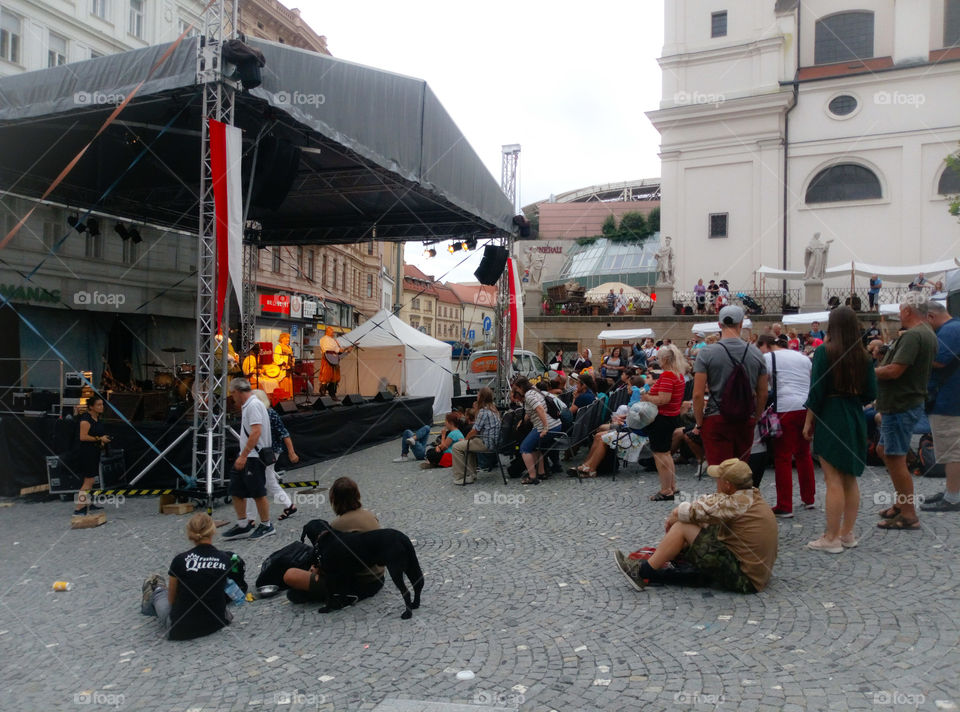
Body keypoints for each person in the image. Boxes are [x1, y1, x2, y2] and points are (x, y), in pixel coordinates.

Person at [614, 459, 777, 593]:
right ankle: (670, 558)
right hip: (757, 574)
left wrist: (673, 519)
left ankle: (642, 573)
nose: (716, 481)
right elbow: (707, 510)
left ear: (727, 484)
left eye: (718, 478)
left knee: (682, 527)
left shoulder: (735, 503)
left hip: (746, 579)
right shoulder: (749, 495)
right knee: (700, 523)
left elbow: (684, 512)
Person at [802, 307, 878, 551]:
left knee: (832, 478)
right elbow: (871, 393)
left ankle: (831, 538)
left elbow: (817, 390)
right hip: (854, 413)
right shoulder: (864, 356)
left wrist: (808, 421)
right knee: (849, 478)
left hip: (831, 414)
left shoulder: (825, 351)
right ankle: (847, 534)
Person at [874, 295, 937, 530]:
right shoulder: (926, 333)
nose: (899, 313)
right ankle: (901, 503)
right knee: (884, 450)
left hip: (900, 404)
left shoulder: (913, 335)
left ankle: (908, 513)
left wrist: (867, 373)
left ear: (909, 311)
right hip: (903, 403)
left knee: (895, 457)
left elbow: (894, 371)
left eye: (901, 310)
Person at [140, 513, 246, 640]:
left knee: (160, 593)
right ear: (213, 531)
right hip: (217, 622)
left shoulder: (179, 560)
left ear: (190, 534)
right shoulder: (225, 559)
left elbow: (171, 599)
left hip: (180, 629)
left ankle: (155, 589)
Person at [283, 477, 384, 603]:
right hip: (379, 576)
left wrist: (319, 570)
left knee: (292, 579)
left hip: (360, 582)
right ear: (357, 494)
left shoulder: (338, 525)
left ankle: (342, 595)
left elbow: (336, 564)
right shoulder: (369, 515)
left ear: (333, 500)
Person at [691, 306, 768, 465]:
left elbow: (698, 394)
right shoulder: (757, 353)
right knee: (740, 471)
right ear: (741, 324)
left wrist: (699, 423)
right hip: (745, 418)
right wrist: (756, 417)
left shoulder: (706, 353)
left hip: (716, 417)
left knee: (722, 472)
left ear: (719, 325)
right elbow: (763, 393)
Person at [756, 334, 815, 518]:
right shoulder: (802, 357)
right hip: (806, 408)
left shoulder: (767, 358)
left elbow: (762, 389)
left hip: (785, 408)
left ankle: (785, 505)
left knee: (782, 456)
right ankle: (809, 498)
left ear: (764, 345)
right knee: (803, 453)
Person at [221, 378, 274, 540]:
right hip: (248, 456)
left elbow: (256, 432)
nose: (232, 397)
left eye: (232, 394)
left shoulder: (253, 406)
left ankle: (266, 525)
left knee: (257, 492)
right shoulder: (250, 405)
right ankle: (243, 524)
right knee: (236, 489)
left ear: (237, 391)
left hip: (253, 457)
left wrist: (243, 455)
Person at [920, 302, 960, 513]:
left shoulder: (951, 330)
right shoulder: (954, 328)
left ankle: (953, 498)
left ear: (930, 317)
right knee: (951, 449)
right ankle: (951, 491)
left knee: (953, 451)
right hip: (949, 399)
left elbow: (939, 360)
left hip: (949, 401)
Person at [244, 391, 300, 523]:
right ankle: (289, 505)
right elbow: (284, 433)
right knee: (269, 480)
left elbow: (284, 433)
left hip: (265, 452)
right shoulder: (269, 413)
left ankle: (249, 518)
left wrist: (292, 452)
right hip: (269, 451)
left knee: (254, 481)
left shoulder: (268, 414)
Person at [644, 345, 688, 500]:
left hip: (661, 419)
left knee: (660, 455)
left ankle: (665, 490)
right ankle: (672, 486)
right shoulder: (679, 375)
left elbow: (663, 399)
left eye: (658, 357)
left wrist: (646, 397)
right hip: (671, 418)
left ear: (664, 359)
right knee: (666, 453)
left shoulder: (668, 375)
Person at [569, 402, 656, 478]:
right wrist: (624, 421)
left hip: (636, 436)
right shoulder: (645, 406)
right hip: (631, 432)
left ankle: (591, 469)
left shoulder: (647, 409)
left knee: (602, 438)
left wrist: (622, 423)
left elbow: (637, 425)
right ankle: (586, 464)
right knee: (598, 436)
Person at [514, 376, 563, 485]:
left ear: (521, 387)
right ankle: (541, 472)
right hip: (556, 424)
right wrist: (523, 421)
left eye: (516, 388)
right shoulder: (535, 391)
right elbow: (533, 410)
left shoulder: (528, 395)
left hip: (547, 426)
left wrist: (545, 428)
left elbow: (539, 409)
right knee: (535, 447)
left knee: (525, 448)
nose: (516, 391)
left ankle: (532, 477)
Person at [451, 387, 501, 485]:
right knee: (468, 445)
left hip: (486, 442)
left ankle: (460, 477)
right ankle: (471, 475)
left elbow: (474, 430)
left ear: (481, 397)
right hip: (493, 441)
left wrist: (465, 440)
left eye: (478, 395)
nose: (477, 396)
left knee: (456, 447)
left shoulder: (483, 412)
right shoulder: (494, 409)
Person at [72, 393, 110, 516]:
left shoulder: (96, 418)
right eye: (98, 405)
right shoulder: (86, 419)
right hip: (85, 452)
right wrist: (99, 439)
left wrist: (102, 440)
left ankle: (87, 503)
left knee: (90, 480)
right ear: (91, 407)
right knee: (89, 480)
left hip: (94, 451)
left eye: (102, 404)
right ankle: (79, 508)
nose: (101, 407)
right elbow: (83, 437)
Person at [318, 327, 352, 400]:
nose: (333, 333)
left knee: (335, 378)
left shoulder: (334, 340)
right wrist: (338, 349)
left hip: (334, 358)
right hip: (327, 359)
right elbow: (327, 348)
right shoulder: (324, 339)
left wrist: (346, 350)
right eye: (331, 331)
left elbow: (338, 351)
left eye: (333, 331)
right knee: (326, 376)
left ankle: (332, 394)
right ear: (327, 331)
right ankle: (322, 394)